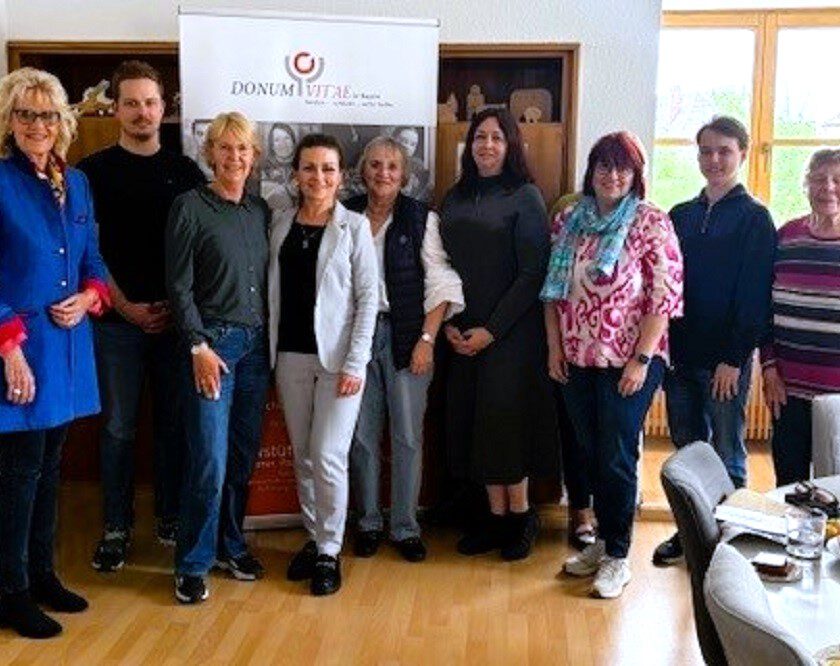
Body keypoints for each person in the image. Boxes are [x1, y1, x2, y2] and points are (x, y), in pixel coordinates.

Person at [542, 131, 683, 598]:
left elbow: (663, 298)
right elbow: (552, 291)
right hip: (576, 355)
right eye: (604, 165)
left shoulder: (651, 222)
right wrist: (554, 348)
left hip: (630, 360)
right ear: (592, 170)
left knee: (616, 455)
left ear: (636, 175)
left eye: (623, 167)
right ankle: (602, 542)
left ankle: (618, 556)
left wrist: (641, 360)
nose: (613, 175)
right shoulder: (569, 220)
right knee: (588, 452)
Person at [78, 60, 205, 573]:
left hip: (176, 326)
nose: (142, 112)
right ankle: (116, 526)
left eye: (150, 102)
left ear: (163, 107)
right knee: (119, 429)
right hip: (116, 324)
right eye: (131, 103)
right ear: (115, 108)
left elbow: (199, 250)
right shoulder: (90, 173)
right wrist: (125, 306)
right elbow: (87, 251)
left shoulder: (186, 173)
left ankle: (170, 517)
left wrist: (178, 308)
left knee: (173, 426)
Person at [0, 67, 111, 638]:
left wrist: (91, 296)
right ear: (9, 121)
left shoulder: (79, 183)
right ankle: (9, 592)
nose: (37, 125)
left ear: (62, 121)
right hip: (18, 353)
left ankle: (41, 575)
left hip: (67, 350)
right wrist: (9, 348)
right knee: (19, 473)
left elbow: (93, 259)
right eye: (25, 114)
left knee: (49, 469)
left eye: (46, 114)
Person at [653, 116, 776, 567]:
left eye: (724, 151)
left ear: (742, 153)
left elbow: (754, 295)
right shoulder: (680, 215)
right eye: (706, 151)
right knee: (687, 454)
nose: (715, 160)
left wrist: (733, 358)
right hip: (679, 358)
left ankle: (729, 543)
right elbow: (665, 286)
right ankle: (691, 534)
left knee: (726, 453)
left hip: (725, 362)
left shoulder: (755, 218)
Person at [439, 108, 559, 562]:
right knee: (475, 423)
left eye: (496, 138)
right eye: (479, 137)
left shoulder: (525, 196)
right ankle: (493, 519)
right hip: (461, 329)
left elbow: (533, 273)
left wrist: (492, 330)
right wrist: (448, 322)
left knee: (506, 424)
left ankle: (522, 517)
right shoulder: (454, 197)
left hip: (510, 332)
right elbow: (440, 264)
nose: (487, 145)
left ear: (511, 147)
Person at [166, 112, 270, 604]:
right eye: (225, 148)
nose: (234, 157)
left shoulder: (259, 211)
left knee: (241, 457)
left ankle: (231, 546)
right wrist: (197, 345)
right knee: (208, 459)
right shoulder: (189, 207)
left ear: (254, 156)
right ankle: (192, 563)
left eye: (242, 148)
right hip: (212, 349)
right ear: (210, 153)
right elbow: (178, 286)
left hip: (256, 350)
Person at [344, 137, 464, 562]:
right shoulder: (346, 215)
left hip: (408, 336)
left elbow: (442, 284)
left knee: (408, 436)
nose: (383, 173)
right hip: (357, 339)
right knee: (362, 436)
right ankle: (368, 523)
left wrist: (427, 340)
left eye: (392, 167)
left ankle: (405, 527)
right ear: (363, 171)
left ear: (404, 175)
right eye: (375, 165)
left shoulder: (421, 219)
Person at [269, 134, 377, 596]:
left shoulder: (355, 227)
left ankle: (330, 551)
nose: (319, 177)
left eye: (328, 168)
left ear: (341, 175)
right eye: (309, 168)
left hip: (339, 362)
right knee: (304, 456)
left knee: (329, 455)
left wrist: (356, 363)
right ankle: (314, 539)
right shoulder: (279, 223)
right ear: (296, 174)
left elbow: (368, 299)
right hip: (289, 356)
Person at [761, 148, 840, 485]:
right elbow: (763, 308)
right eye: (819, 179)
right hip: (787, 390)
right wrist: (769, 368)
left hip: (837, 399)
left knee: (835, 491)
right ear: (806, 185)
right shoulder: (786, 237)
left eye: (837, 180)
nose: (828, 187)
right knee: (790, 486)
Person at [260, 122, 297, 212]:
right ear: (272, 146)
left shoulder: (304, 166)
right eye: (277, 140)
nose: (282, 144)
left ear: (293, 141)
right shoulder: (263, 171)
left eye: (287, 138)